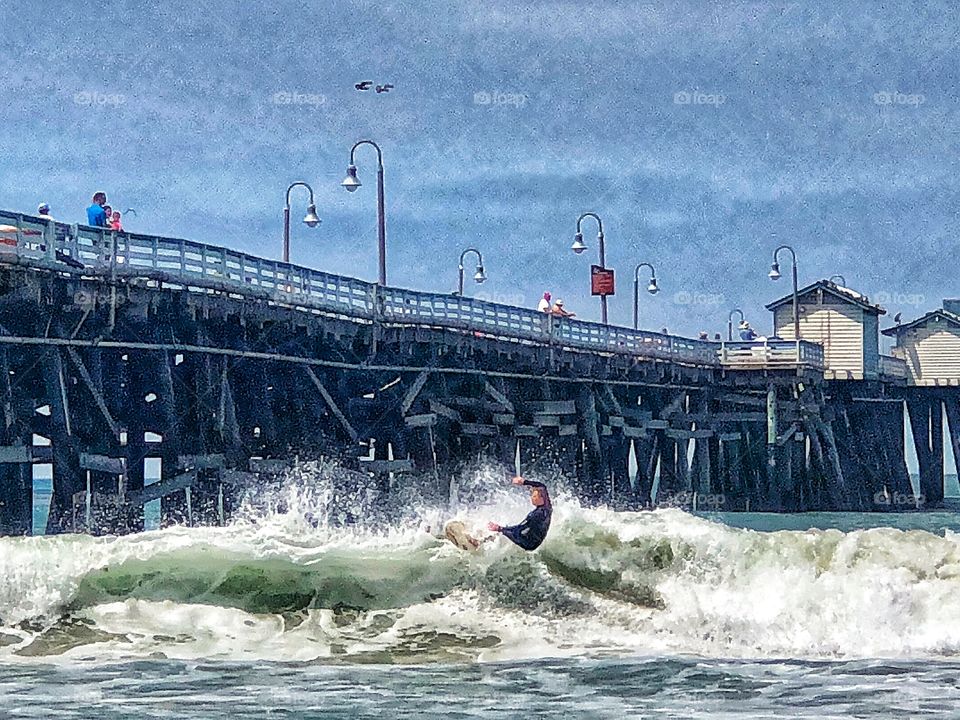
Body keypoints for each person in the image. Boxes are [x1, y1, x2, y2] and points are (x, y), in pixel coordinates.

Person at [487, 476, 552, 551]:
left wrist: (500, 528)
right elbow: (542, 486)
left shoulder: (536, 514)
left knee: (504, 532)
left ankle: (480, 543)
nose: (531, 498)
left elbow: (519, 528)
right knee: (506, 530)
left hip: (529, 543)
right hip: (536, 539)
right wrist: (524, 482)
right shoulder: (548, 507)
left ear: (541, 498)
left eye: (534, 496)